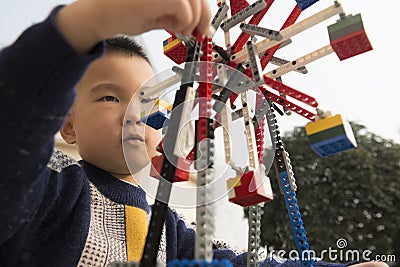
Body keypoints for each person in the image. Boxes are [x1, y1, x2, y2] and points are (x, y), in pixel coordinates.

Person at [0, 1, 389, 267]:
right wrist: (82, 27)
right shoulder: (50, 188)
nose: (134, 114)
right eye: (108, 97)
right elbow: (17, 124)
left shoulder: (170, 229)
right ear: (67, 124)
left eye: (148, 103)